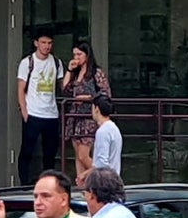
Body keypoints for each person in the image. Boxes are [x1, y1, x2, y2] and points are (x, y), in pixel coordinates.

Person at [16, 29, 65, 185]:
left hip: (51, 114)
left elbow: (62, 85)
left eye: (49, 43)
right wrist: (25, 112)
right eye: (43, 42)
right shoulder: (27, 62)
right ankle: (25, 184)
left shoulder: (56, 62)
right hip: (33, 113)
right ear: (36, 43)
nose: (47, 46)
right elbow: (20, 89)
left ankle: (48, 184)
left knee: (49, 153)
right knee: (27, 151)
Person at [60, 41, 111, 182]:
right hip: (75, 117)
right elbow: (65, 89)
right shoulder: (76, 73)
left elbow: (105, 93)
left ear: (87, 55)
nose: (76, 57)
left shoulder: (96, 72)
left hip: (89, 116)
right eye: (74, 54)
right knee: (78, 155)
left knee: (83, 154)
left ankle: (103, 177)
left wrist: (88, 98)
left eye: (79, 54)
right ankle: (82, 186)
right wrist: (69, 70)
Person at [76, 95, 122, 185]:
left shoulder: (103, 131)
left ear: (96, 109)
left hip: (104, 182)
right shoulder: (114, 129)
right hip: (113, 178)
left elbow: (102, 163)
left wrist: (85, 174)